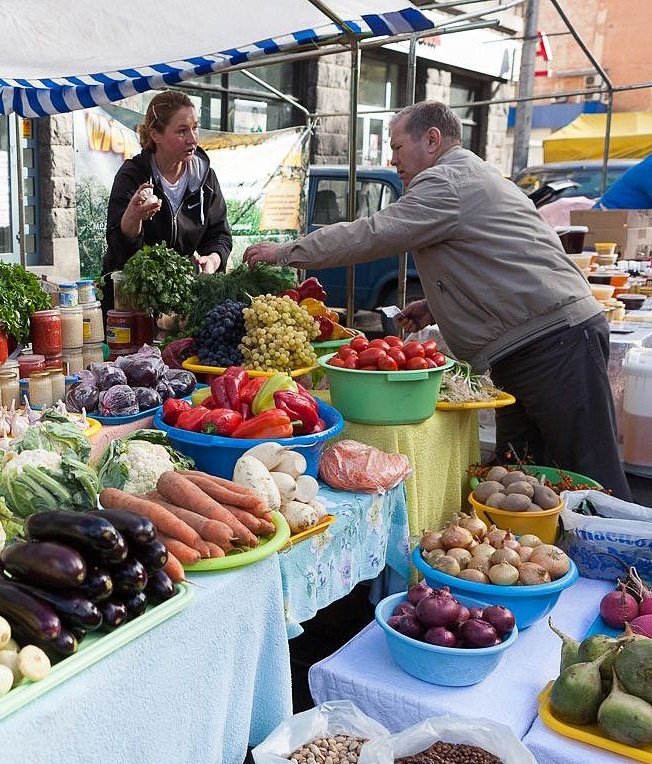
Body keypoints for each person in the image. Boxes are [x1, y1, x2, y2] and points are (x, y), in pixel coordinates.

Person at [242, 100, 632, 499]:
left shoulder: (445, 181)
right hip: (534, 342)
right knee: (522, 475)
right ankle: (547, 554)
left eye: (396, 147)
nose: (393, 160)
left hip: (551, 342)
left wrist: (288, 252)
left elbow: (374, 233)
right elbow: (492, 256)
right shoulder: (467, 174)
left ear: (432, 140)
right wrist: (437, 303)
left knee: (590, 472)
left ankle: (627, 558)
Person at [101, 90, 232, 310]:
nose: (192, 138)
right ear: (155, 134)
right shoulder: (132, 176)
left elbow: (220, 235)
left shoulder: (205, 177)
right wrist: (132, 217)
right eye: (182, 131)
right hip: (132, 303)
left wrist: (212, 260)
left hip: (183, 302)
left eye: (195, 127)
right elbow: (119, 248)